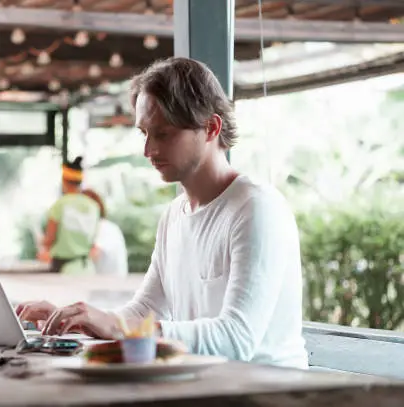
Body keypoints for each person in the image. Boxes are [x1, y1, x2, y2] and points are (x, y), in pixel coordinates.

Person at [16, 57, 308, 369]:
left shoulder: (256, 208)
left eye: (163, 134)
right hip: (206, 387)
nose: (148, 150)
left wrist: (117, 328)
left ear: (211, 128)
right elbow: (144, 311)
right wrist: (75, 319)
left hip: (270, 393)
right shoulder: (174, 215)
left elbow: (237, 339)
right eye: (144, 133)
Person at [38, 157, 101, 275]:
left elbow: (50, 239)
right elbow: (94, 240)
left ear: (64, 180)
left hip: (63, 270)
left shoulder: (60, 205)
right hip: (87, 269)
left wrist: (42, 242)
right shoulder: (93, 206)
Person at [82, 189, 128, 277]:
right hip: (102, 285)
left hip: (109, 286)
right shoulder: (97, 227)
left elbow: (94, 254)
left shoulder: (105, 227)